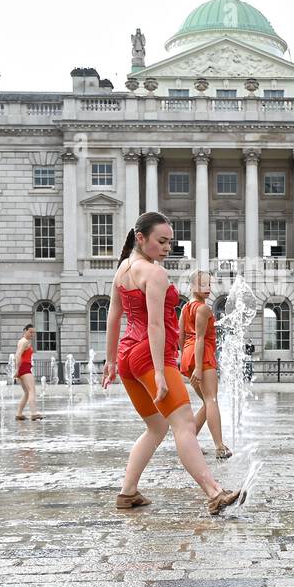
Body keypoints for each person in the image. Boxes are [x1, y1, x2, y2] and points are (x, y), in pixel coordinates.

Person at [104, 212, 243, 515]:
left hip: (129, 355)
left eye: (170, 242)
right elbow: (155, 326)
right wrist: (159, 373)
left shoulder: (122, 270)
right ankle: (214, 491)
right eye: (161, 241)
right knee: (184, 425)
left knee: (156, 427)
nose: (168, 247)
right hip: (148, 355)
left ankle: (127, 493)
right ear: (141, 238)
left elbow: (113, 318)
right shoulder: (154, 273)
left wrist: (111, 360)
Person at [180, 271, 231, 460]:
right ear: (192, 287)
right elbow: (200, 338)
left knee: (206, 402)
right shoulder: (202, 309)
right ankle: (219, 446)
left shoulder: (186, 307)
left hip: (189, 354)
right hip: (201, 355)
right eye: (202, 285)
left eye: (209, 284)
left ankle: (188, 442)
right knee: (212, 400)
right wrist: (199, 367)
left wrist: (186, 358)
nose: (207, 288)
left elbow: (181, 337)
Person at [15, 324, 41, 420]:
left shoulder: (22, 341)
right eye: (30, 332)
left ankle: (19, 414)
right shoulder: (24, 342)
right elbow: (17, 355)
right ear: (25, 331)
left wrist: (17, 369)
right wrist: (17, 369)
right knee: (32, 390)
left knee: (26, 392)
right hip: (24, 368)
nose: (32, 334)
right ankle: (34, 413)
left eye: (33, 332)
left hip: (23, 367)